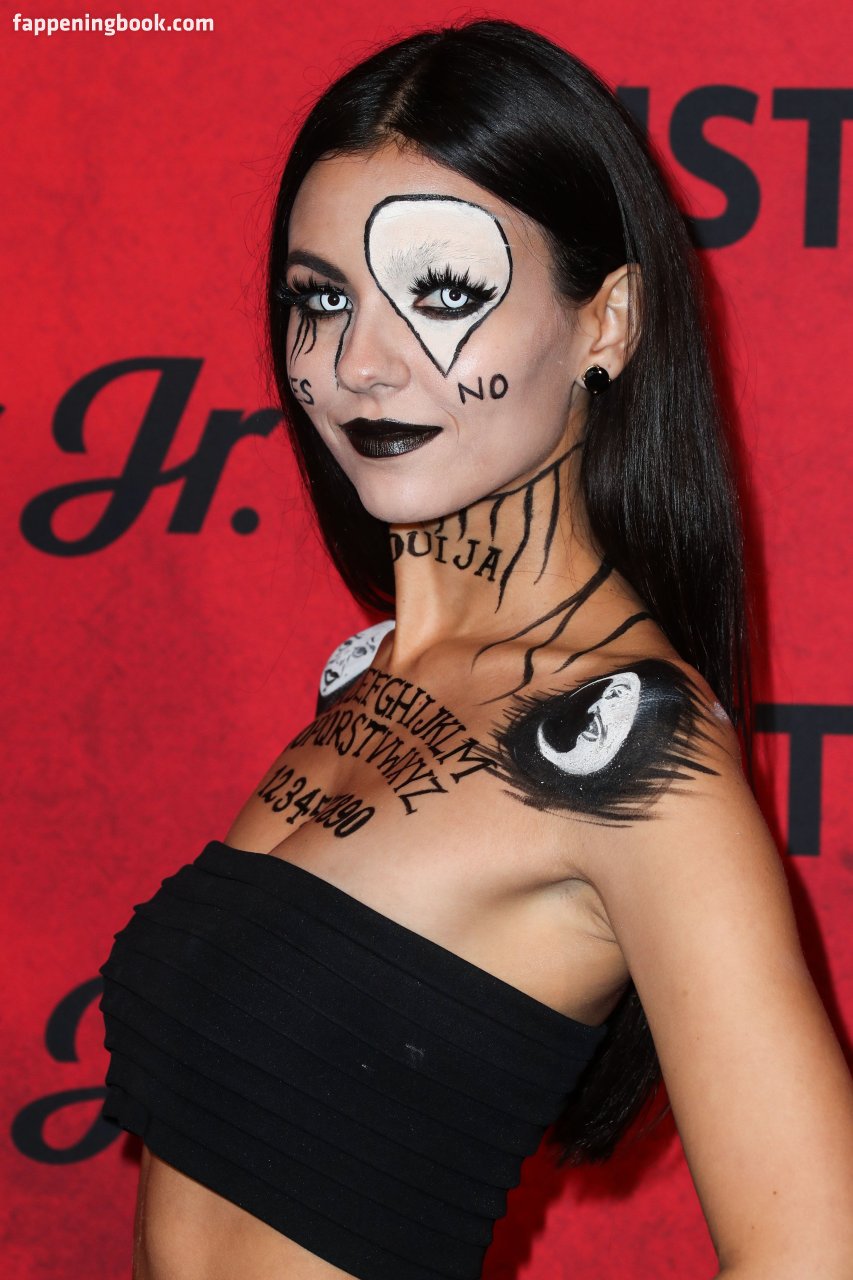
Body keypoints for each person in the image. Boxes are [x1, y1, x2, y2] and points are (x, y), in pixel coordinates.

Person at [98, 19, 853, 1280]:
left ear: (607, 322)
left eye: (442, 292)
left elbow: (818, 1248)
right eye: (320, 298)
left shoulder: (635, 745)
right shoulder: (375, 673)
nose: (359, 361)